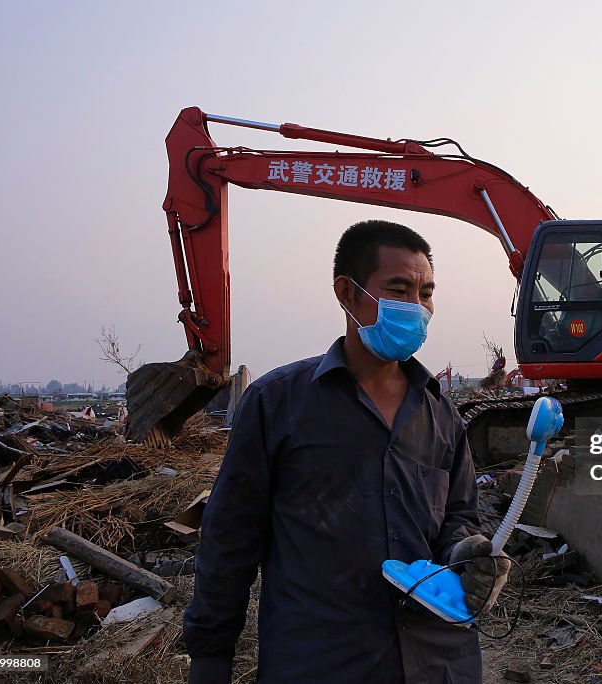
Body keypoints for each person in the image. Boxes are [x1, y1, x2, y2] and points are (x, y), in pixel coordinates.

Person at [183, 220, 509, 684]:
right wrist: (210, 658)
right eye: (398, 290)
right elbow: (230, 539)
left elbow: (456, 515)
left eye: (426, 293)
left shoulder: (442, 415)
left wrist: (467, 552)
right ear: (347, 293)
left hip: (437, 661)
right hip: (320, 661)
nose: (416, 307)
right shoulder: (278, 403)